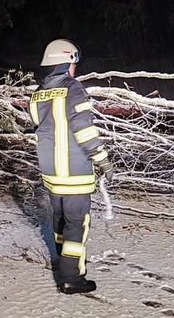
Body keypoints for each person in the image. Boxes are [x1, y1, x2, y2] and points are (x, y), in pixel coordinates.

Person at [28, 39, 114, 294]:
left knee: (60, 218)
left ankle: (64, 260)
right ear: (65, 64)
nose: (75, 68)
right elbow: (84, 129)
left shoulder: (38, 93)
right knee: (77, 223)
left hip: (51, 171)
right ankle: (71, 278)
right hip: (75, 171)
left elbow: (40, 130)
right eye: (73, 63)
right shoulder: (73, 89)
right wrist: (101, 158)